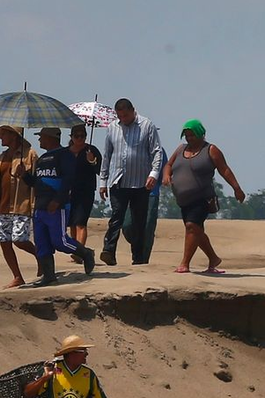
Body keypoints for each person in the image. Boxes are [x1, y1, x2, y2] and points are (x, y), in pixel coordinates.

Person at [16, 127, 95, 285]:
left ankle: (85, 253)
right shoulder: (42, 159)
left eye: (41, 137)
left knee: (60, 241)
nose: (39, 140)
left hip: (56, 207)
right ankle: (48, 275)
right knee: (42, 243)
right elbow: (36, 183)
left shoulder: (65, 155)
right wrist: (24, 175)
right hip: (40, 207)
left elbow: (68, 180)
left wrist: (58, 200)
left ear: (50, 137)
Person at [165, 119, 245, 273]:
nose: (189, 138)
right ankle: (213, 258)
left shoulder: (211, 150)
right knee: (196, 231)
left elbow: (224, 170)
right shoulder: (180, 149)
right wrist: (166, 175)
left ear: (201, 134)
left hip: (202, 198)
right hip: (183, 200)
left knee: (191, 227)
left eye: (192, 135)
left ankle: (184, 264)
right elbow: (169, 164)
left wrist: (237, 188)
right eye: (187, 135)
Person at [97, 99, 163, 266]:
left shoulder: (147, 125)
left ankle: (138, 257)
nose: (123, 119)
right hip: (118, 181)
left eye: (126, 115)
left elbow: (156, 152)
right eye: (120, 116)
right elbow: (107, 155)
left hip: (141, 183)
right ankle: (109, 250)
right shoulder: (113, 128)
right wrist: (103, 181)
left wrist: (154, 173)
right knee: (116, 217)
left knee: (139, 221)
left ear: (133, 111)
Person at [0, 124, 40, 289]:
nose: (1, 137)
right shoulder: (2, 157)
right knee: (4, 241)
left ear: (14, 135)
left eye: (4, 134)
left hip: (21, 205)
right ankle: (17, 276)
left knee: (19, 239)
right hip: (3, 206)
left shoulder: (29, 154)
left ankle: (41, 256)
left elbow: (36, 181)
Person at [66, 123, 101, 253]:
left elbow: (100, 170)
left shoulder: (91, 151)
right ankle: (75, 250)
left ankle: (80, 252)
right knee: (72, 223)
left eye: (83, 136)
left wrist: (92, 161)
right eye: (77, 136)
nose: (80, 139)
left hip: (85, 192)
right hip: (69, 192)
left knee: (81, 222)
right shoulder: (66, 152)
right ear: (72, 137)